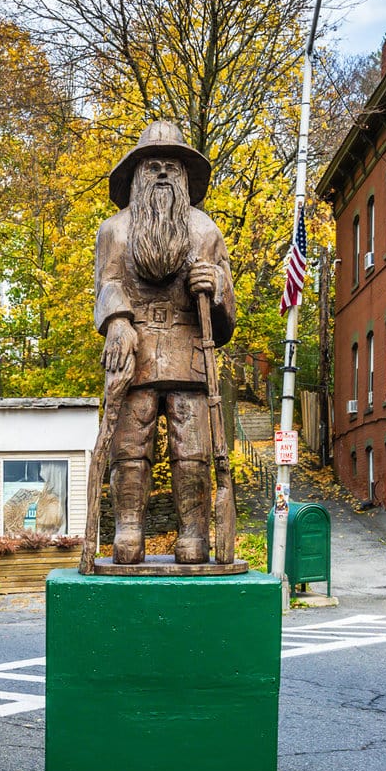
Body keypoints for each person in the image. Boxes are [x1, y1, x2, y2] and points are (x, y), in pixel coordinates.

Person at [95, 121, 236, 564]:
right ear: (137, 175)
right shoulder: (114, 230)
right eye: (150, 165)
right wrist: (118, 320)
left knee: (190, 447)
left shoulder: (205, 231)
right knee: (129, 448)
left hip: (189, 354)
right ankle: (128, 531)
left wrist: (214, 285)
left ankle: (194, 533)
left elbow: (229, 305)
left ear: (182, 176)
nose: (159, 173)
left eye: (168, 166)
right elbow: (108, 282)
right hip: (133, 357)